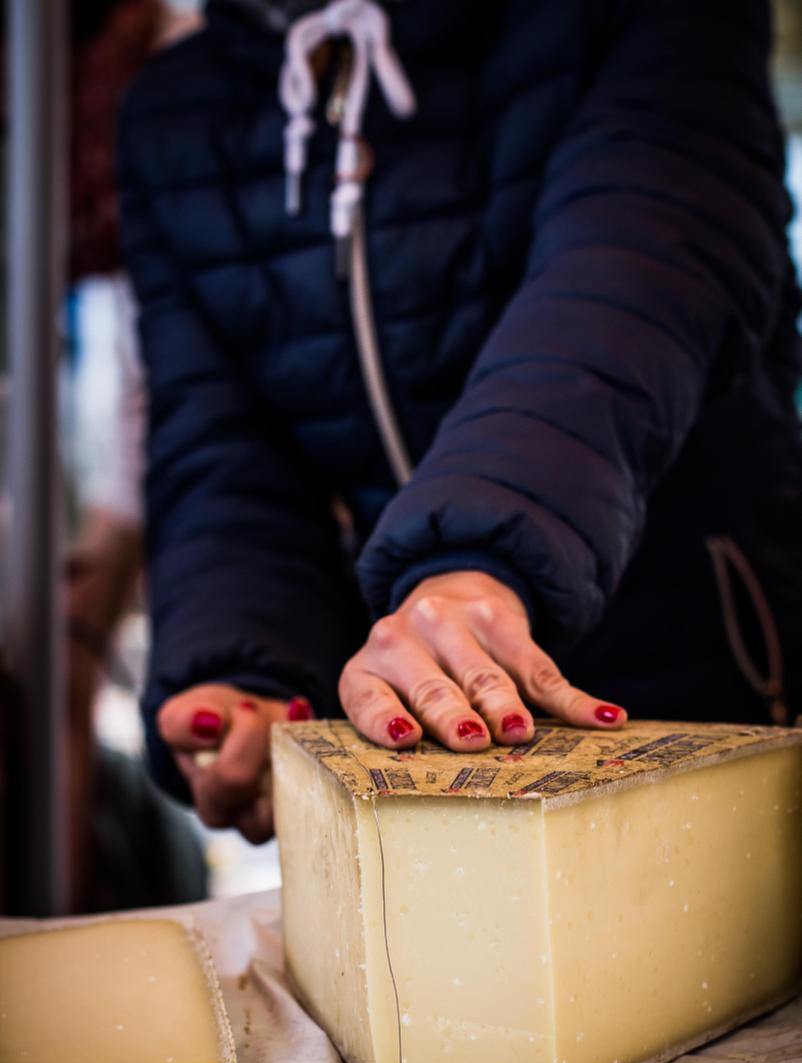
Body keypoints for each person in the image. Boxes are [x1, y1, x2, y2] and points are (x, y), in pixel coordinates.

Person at [118, 0, 802, 845]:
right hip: (422, 750)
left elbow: (635, 278)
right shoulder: (172, 116)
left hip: (705, 690)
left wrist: (475, 560)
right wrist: (241, 662)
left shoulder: (629, 19)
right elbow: (222, 448)